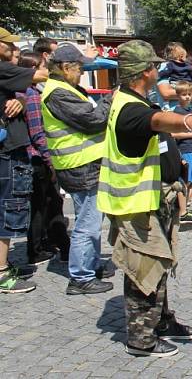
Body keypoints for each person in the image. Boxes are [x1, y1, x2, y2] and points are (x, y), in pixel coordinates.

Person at [97, 40, 192, 357]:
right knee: (143, 270)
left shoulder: (134, 99)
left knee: (160, 265)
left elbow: (157, 126)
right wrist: (189, 120)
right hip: (133, 205)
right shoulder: (130, 109)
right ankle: (141, 339)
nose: (158, 70)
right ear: (144, 72)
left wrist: (182, 136)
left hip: (151, 200)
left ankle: (161, 322)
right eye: (154, 66)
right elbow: (157, 121)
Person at [41, 43, 115, 295]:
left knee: (91, 219)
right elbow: (93, 121)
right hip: (79, 165)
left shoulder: (65, 88)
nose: (82, 72)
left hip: (83, 164)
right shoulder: (58, 92)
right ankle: (81, 277)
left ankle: (90, 266)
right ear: (65, 67)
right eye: (79, 67)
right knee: (87, 223)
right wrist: (108, 99)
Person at [0, 27, 48, 293]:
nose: (14, 51)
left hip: (7, 148)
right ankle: (2, 272)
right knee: (6, 210)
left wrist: (17, 97)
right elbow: (41, 75)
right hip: (7, 151)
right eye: (9, 46)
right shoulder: (3, 68)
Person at [17, 52, 70, 265]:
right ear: (32, 69)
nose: (47, 71)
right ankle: (36, 249)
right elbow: (38, 132)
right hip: (37, 159)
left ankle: (45, 243)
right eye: (43, 67)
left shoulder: (28, 92)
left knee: (46, 204)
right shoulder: (30, 94)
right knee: (42, 205)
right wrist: (50, 159)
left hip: (35, 157)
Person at [170, 81, 192, 224]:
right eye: (184, 95)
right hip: (184, 148)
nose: (188, 97)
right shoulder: (177, 113)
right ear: (178, 96)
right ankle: (181, 209)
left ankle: (187, 205)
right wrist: (191, 135)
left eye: (189, 94)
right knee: (184, 180)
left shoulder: (190, 112)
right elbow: (173, 134)